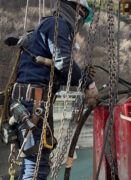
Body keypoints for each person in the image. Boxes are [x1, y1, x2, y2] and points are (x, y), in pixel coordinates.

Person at [9, 0, 98, 179]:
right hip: (33, 104)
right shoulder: (58, 25)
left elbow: (59, 68)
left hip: (28, 102)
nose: (81, 21)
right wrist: (88, 84)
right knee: (37, 166)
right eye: (83, 15)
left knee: (31, 164)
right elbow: (63, 62)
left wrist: (81, 75)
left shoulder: (49, 25)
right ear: (79, 9)